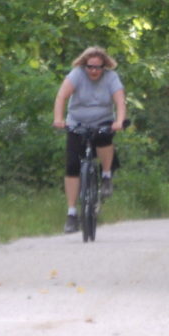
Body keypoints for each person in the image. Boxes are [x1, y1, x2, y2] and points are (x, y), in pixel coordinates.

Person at [52, 46, 127, 233]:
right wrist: (59, 119)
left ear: (104, 67)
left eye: (98, 67)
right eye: (90, 67)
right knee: (71, 166)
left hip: (102, 121)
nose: (93, 71)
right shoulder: (76, 75)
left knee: (104, 139)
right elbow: (61, 96)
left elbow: (119, 101)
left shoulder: (111, 78)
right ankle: (71, 214)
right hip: (77, 123)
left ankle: (106, 175)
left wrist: (119, 121)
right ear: (84, 65)